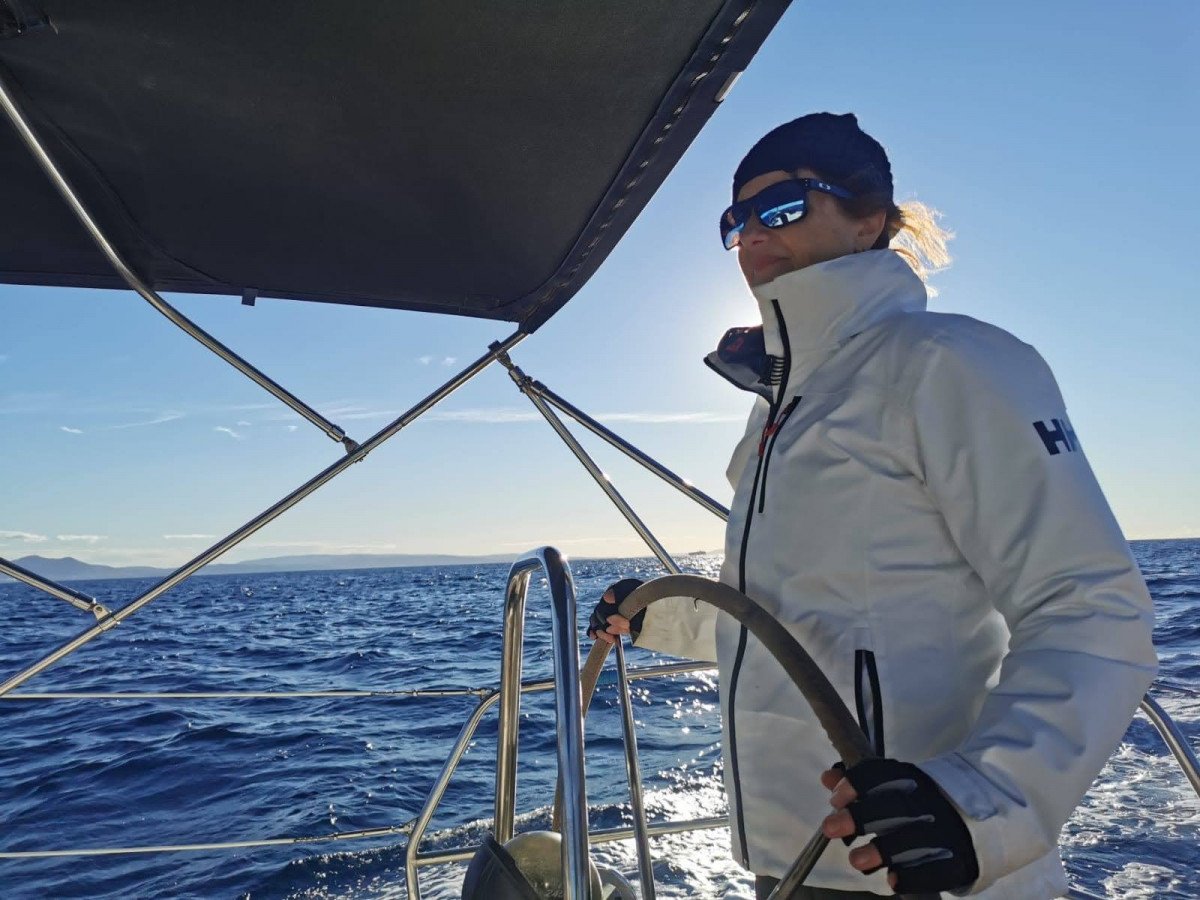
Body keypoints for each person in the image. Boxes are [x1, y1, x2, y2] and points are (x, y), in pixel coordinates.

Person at [588, 113, 1157, 899]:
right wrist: (661, 618)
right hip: (791, 854)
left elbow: (1091, 608)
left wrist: (981, 804)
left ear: (869, 220)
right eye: (736, 219)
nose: (753, 234)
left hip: (925, 858)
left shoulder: (948, 362)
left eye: (783, 205)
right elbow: (803, 616)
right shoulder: (781, 407)